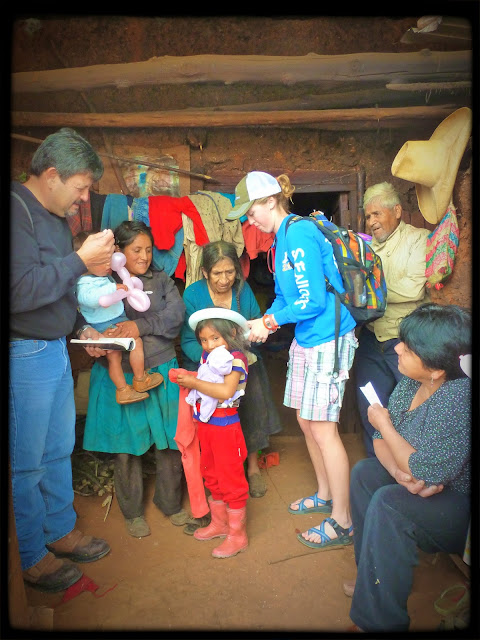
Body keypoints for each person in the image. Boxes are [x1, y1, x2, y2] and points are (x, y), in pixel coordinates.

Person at [228, 171, 358, 550]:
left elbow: (312, 301)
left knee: (324, 429)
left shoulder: (298, 233)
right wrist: (262, 322)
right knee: (305, 419)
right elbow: (288, 298)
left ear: (270, 201)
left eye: (251, 212)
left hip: (328, 337)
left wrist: (270, 322)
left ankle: (343, 521)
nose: (250, 220)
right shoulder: (279, 240)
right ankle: (325, 494)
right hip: (307, 337)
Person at [10, 127, 114, 593]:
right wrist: (80, 261)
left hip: (53, 347)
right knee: (26, 462)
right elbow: (18, 292)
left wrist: (80, 327)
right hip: (23, 351)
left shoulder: (54, 217)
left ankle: (59, 531)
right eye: (81, 187)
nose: (84, 198)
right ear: (51, 176)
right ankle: (30, 554)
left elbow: (56, 287)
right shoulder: (16, 211)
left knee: (57, 449)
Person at [343, 303, 471, 632]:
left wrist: (386, 426)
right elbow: (381, 441)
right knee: (364, 474)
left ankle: (379, 623)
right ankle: (372, 580)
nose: (398, 349)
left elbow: (420, 467)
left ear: (436, 369)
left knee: (390, 504)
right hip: (422, 483)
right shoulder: (413, 382)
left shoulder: (458, 398)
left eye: (409, 348)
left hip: (459, 510)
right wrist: (400, 472)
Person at [81, 220, 198, 539]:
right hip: (120, 375)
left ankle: (170, 503)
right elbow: (81, 312)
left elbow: (176, 316)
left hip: (161, 368)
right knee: (126, 446)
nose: (144, 256)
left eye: (148, 249)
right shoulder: (101, 280)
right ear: (118, 251)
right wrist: (86, 331)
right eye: (136, 250)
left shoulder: (161, 280)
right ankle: (132, 512)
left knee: (170, 440)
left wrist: (139, 326)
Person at [180, 240, 282, 504]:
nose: (224, 279)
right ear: (205, 272)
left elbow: (255, 324)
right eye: (217, 273)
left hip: (242, 360)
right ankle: (215, 471)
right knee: (212, 421)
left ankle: (253, 467)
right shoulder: (193, 295)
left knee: (252, 402)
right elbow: (188, 340)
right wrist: (211, 360)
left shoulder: (242, 290)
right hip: (206, 365)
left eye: (230, 272)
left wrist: (247, 345)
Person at [355, 182, 430, 457]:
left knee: (414, 410)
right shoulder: (364, 248)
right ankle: (378, 467)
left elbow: (414, 289)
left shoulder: (418, 239)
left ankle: (415, 469)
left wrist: (367, 294)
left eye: (377, 214)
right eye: (368, 216)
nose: (371, 221)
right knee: (371, 407)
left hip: (405, 342)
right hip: (371, 341)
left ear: (397, 211)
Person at [175, 314, 251, 558]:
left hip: (226, 427)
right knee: (211, 473)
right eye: (204, 340)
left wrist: (194, 383)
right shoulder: (208, 357)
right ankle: (220, 524)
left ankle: (238, 535)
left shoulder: (236, 359)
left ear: (232, 334)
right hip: (206, 426)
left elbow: (226, 391)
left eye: (215, 338)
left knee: (231, 479)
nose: (209, 345)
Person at [74, 231, 163, 405]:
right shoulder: (83, 283)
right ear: (86, 261)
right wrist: (113, 289)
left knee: (118, 354)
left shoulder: (103, 275)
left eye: (110, 258)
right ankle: (134, 382)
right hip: (103, 326)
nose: (109, 264)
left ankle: (128, 387)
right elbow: (89, 299)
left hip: (115, 320)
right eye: (103, 261)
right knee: (130, 346)